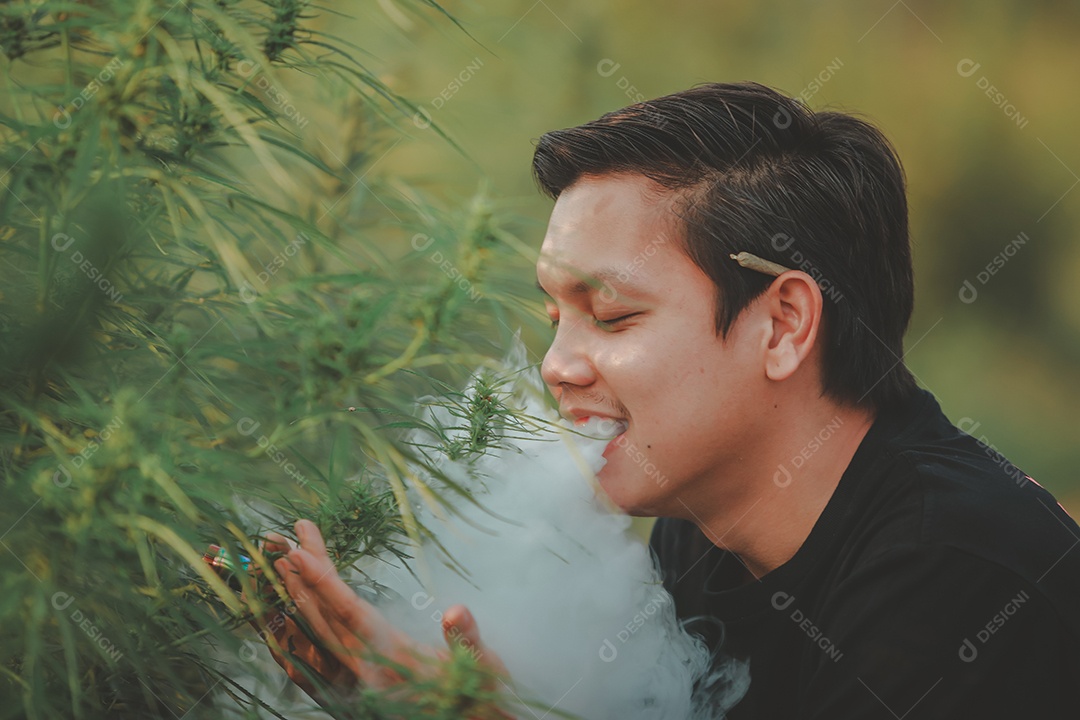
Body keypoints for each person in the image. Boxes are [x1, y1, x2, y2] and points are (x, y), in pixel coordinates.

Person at [256, 82, 1080, 718]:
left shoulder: (959, 574)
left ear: (785, 323)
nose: (556, 367)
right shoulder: (697, 538)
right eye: (554, 319)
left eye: (611, 315)